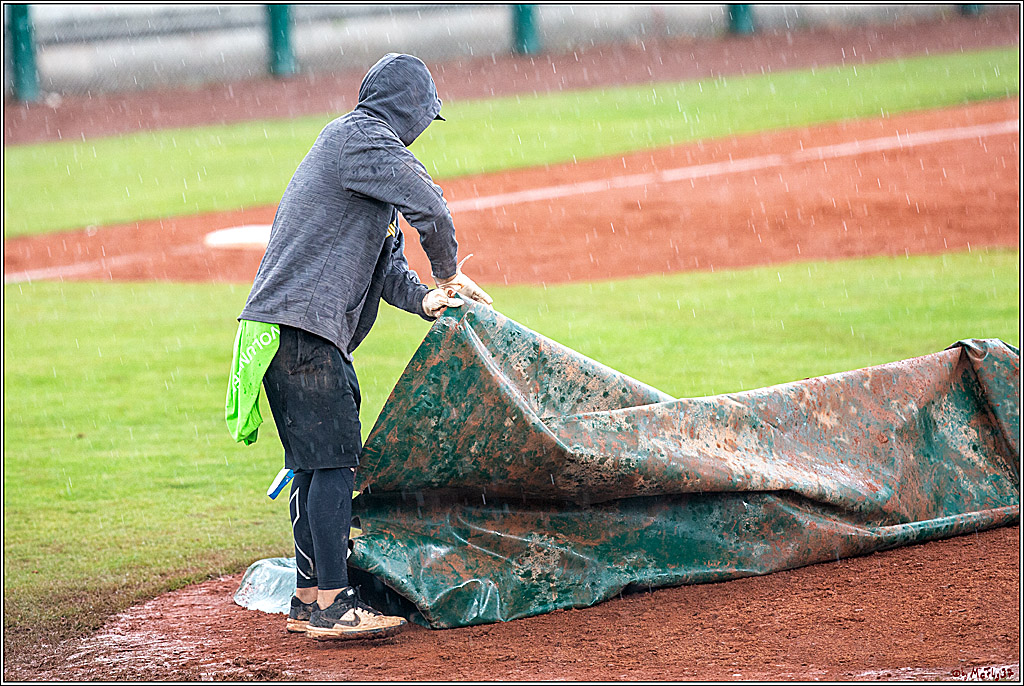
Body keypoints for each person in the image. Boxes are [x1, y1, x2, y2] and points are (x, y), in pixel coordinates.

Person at [238, 53, 492, 641]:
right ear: (410, 110)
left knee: (313, 466)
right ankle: (335, 603)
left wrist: (428, 298)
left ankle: (308, 598)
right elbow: (432, 208)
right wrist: (450, 271)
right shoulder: (362, 139)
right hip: (304, 333)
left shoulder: (358, 155)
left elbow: (388, 267)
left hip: (286, 331)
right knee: (332, 465)